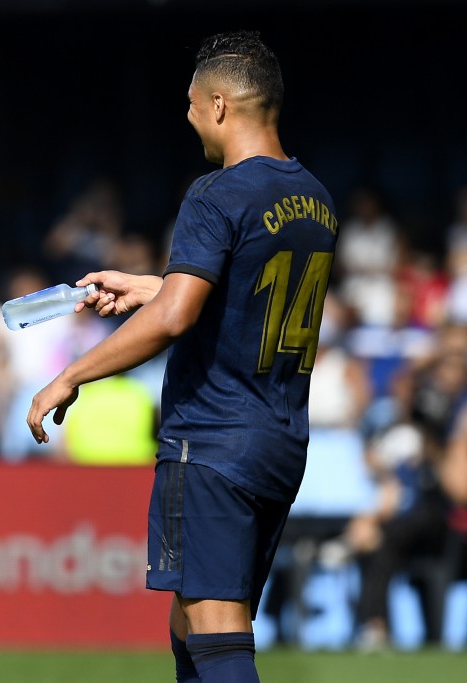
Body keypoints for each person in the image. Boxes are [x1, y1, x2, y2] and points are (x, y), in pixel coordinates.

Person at [27, 31, 337, 682]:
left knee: (219, 630)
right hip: (279, 440)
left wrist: (70, 374)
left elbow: (176, 317)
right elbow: (239, 294)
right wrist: (149, 285)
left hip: (214, 436)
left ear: (220, 105)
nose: (189, 115)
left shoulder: (214, 193)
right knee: (192, 624)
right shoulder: (315, 199)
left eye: (193, 103)